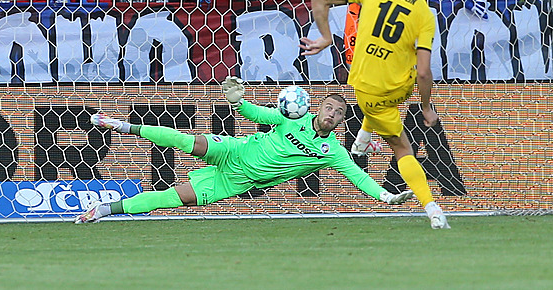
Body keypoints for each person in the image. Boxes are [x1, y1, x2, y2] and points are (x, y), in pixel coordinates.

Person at [74, 78, 414, 223]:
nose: (332, 114)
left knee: (169, 198)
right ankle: (122, 125)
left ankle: (105, 209)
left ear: (341, 122)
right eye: (328, 107)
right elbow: (257, 114)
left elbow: (359, 177)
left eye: (339, 113)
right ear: (317, 107)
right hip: (235, 151)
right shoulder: (292, 116)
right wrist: (238, 100)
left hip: (237, 182)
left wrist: (385, 197)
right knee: (185, 139)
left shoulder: (332, 151)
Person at [300, 0, 451, 229]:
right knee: (403, 149)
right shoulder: (424, 15)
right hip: (390, 93)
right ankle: (433, 208)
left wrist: (324, 37)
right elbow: (424, 71)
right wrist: (427, 107)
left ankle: (362, 139)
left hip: (363, 83)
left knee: (381, 106)